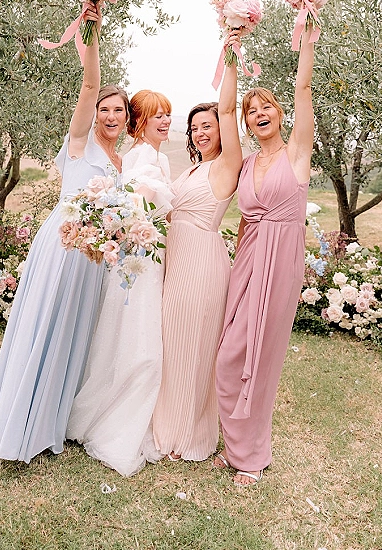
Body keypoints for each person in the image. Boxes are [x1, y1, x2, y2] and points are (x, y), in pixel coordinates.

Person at [0, 5, 130, 462]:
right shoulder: (79, 144)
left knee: (74, 333)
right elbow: (89, 83)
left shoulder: (122, 163)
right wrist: (93, 30)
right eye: (105, 108)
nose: (111, 114)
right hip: (63, 245)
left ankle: (52, 423)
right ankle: (18, 425)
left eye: (119, 109)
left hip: (94, 256)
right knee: (45, 326)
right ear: (95, 112)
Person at [215, 26, 315, 485]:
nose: (258, 114)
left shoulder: (297, 152)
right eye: (252, 111)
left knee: (262, 357)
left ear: (279, 113)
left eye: (266, 107)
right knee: (229, 354)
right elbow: (226, 107)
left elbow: (304, 89)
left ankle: (251, 457)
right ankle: (235, 444)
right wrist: (231, 49)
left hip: (282, 262)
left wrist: (307, 41)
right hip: (249, 257)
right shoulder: (248, 163)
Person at [66, 90, 173, 476]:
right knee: (141, 345)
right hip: (140, 262)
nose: (165, 122)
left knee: (129, 338)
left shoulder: (154, 155)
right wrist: (147, 218)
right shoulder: (141, 156)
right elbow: (137, 202)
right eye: (156, 115)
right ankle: (119, 425)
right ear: (138, 122)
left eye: (168, 115)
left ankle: (105, 412)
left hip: (149, 259)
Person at [152, 33, 242, 462]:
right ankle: (163, 423)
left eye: (208, 126)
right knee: (171, 342)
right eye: (195, 127)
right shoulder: (191, 170)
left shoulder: (227, 166)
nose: (201, 132)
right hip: (175, 262)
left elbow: (226, 107)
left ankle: (187, 434)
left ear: (222, 132)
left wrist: (230, 50)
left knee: (195, 345)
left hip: (203, 263)